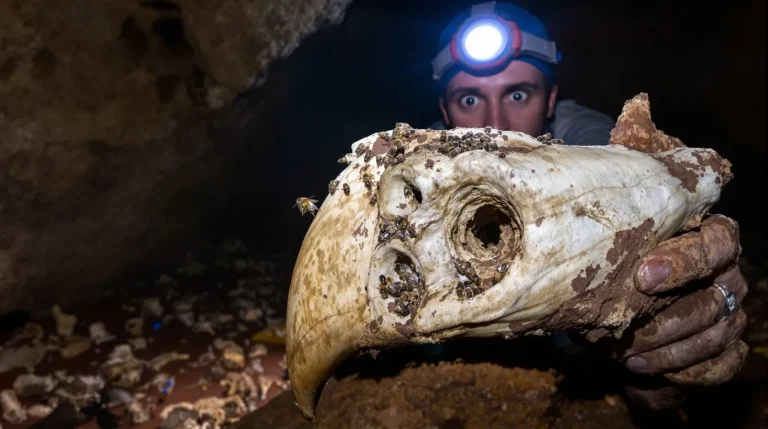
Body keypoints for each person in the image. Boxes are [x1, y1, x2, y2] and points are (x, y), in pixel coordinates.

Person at [427, 1, 749, 410]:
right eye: (470, 100)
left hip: (570, 368)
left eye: (518, 94)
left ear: (550, 101)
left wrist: (671, 333)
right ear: (445, 112)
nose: (496, 127)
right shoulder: (416, 171)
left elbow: (642, 189)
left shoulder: (595, 148)